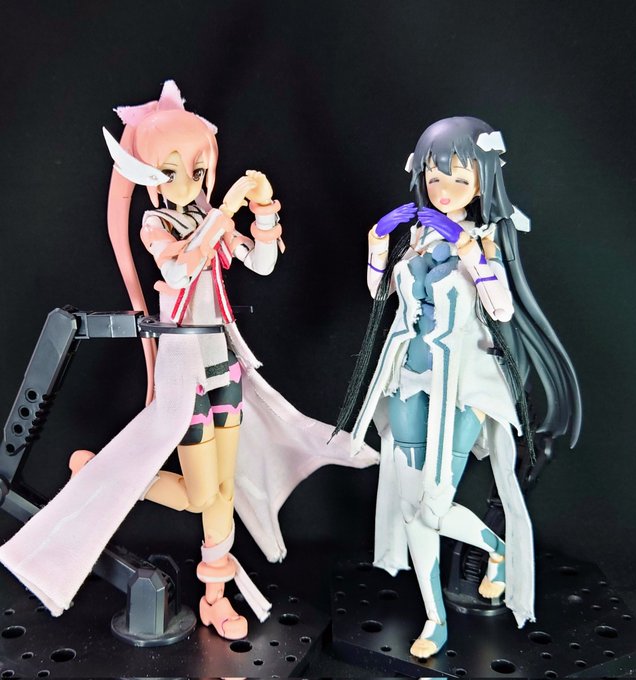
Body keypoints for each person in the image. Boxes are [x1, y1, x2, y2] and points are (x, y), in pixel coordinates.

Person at [0, 81, 377, 640]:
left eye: (198, 169)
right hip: (186, 375)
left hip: (225, 367)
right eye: (172, 170)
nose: (189, 181)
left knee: (223, 493)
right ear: (150, 176)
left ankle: (214, 598)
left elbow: (262, 262)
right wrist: (223, 212)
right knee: (201, 494)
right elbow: (178, 271)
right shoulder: (157, 225)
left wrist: (263, 209)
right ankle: (104, 474)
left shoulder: (207, 217)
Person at [336, 116, 581, 658]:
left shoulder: (486, 240)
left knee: (432, 506)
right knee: (410, 505)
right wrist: (377, 243)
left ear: (482, 183)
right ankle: (435, 618)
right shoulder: (418, 236)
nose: (444, 191)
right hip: (408, 376)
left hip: (462, 387)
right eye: (434, 179)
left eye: (459, 180)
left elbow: (503, 309)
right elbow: (380, 294)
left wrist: (473, 255)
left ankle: (498, 549)